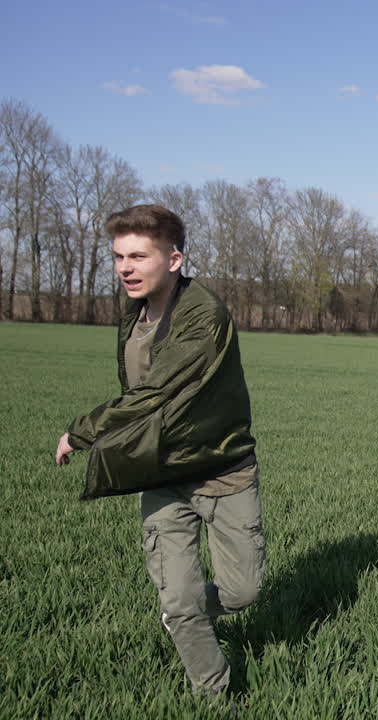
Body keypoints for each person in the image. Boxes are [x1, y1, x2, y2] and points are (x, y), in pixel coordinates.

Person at [54, 204, 265, 696]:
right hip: (160, 473)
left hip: (221, 469)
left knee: (242, 592)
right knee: (180, 604)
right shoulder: (133, 314)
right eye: (118, 256)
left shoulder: (202, 315)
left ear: (174, 260)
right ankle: (214, 695)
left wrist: (82, 432)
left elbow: (153, 392)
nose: (124, 267)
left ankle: (187, 612)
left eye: (138, 256)